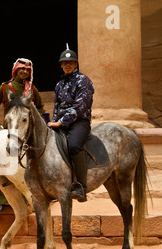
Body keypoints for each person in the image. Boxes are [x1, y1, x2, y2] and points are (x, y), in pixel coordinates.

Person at [0, 58, 45, 212]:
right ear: (15, 70)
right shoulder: (5, 87)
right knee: (6, 163)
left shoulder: (32, 89)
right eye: (22, 69)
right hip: (9, 130)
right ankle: (2, 200)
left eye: (27, 70)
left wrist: (35, 122)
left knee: (26, 165)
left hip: (26, 132)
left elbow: (40, 107)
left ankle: (28, 197)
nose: (25, 72)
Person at [47, 44, 94, 202]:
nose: (67, 65)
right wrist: (54, 121)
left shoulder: (83, 80)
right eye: (64, 63)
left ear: (76, 64)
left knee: (73, 145)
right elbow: (56, 106)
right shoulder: (59, 84)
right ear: (61, 65)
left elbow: (80, 107)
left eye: (71, 62)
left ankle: (81, 186)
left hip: (79, 122)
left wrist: (60, 122)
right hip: (60, 122)